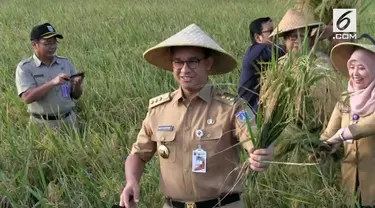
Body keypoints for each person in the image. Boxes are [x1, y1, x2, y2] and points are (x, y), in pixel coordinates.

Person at [118, 23, 274, 208]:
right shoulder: (159, 110)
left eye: (193, 61)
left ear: (208, 63)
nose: (184, 69)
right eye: (178, 62)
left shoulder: (231, 108)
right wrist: (131, 181)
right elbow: (138, 154)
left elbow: (256, 141)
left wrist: (263, 154)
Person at [320, 40, 375, 207]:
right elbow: (329, 133)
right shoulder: (345, 99)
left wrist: (343, 135)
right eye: (352, 67)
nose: (355, 73)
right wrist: (319, 147)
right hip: (350, 180)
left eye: (362, 67)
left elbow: (371, 123)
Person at [15, 23, 84, 131]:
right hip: (42, 125)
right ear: (35, 44)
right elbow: (27, 98)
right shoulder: (25, 68)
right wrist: (53, 83)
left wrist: (77, 86)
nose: (52, 46)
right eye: (47, 43)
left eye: (54, 42)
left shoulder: (65, 63)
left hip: (69, 121)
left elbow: (75, 95)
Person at [238, 17, 286, 113]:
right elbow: (288, 48)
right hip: (248, 111)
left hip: (258, 105)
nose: (275, 34)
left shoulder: (263, 53)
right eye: (271, 31)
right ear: (258, 37)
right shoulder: (258, 51)